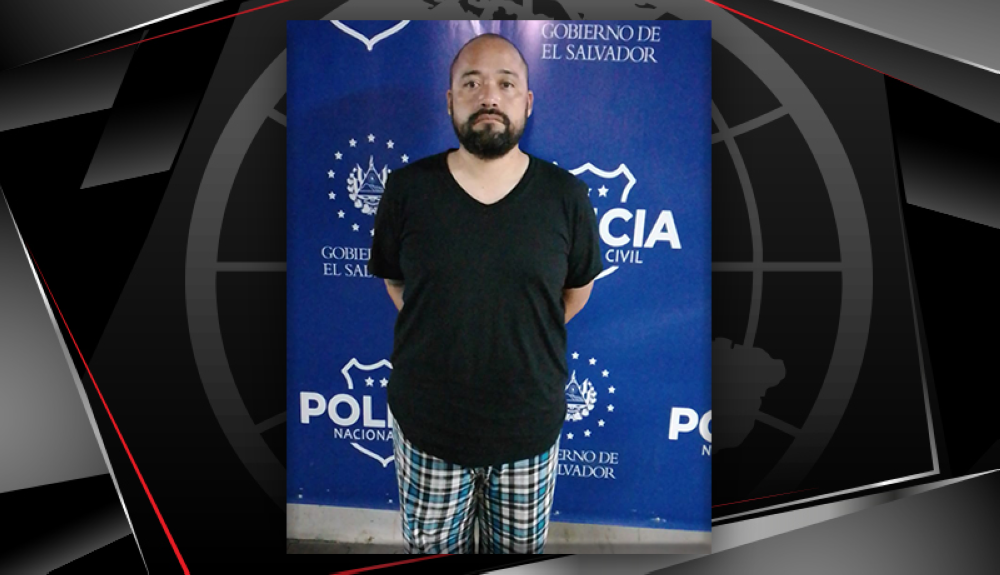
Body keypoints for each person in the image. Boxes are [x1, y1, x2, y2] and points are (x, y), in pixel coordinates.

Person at [368, 32, 604, 554]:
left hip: (528, 431)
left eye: (505, 83)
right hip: (427, 428)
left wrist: (518, 329)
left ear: (528, 101)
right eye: (471, 83)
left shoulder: (566, 196)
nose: (489, 96)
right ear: (450, 100)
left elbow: (577, 290)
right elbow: (395, 280)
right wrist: (447, 320)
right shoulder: (406, 190)